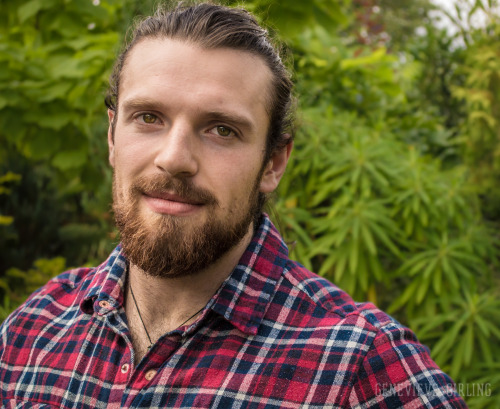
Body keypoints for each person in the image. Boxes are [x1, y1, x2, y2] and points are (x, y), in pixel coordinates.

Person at [0, 3, 467, 408]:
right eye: (148, 117)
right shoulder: (32, 331)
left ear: (273, 162)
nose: (174, 159)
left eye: (221, 129)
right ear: (111, 136)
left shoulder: (361, 366)